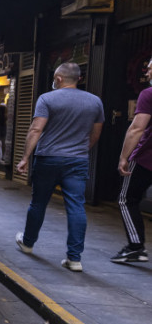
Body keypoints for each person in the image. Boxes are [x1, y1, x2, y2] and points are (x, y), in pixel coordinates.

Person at [15, 62, 104, 272]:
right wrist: (81, 149)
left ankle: (28, 243)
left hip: (48, 159)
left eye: (55, 78)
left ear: (59, 79)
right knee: (76, 206)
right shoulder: (95, 102)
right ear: (78, 79)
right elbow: (96, 133)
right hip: (77, 161)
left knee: (38, 203)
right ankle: (74, 259)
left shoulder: (47, 98)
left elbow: (36, 129)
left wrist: (25, 157)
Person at [112, 55, 152, 264]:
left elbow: (137, 128)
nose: (147, 72)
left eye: (150, 68)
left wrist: (123, 157)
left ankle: (136, 247)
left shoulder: (149, 94)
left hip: (146, 159)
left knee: (126, 198)